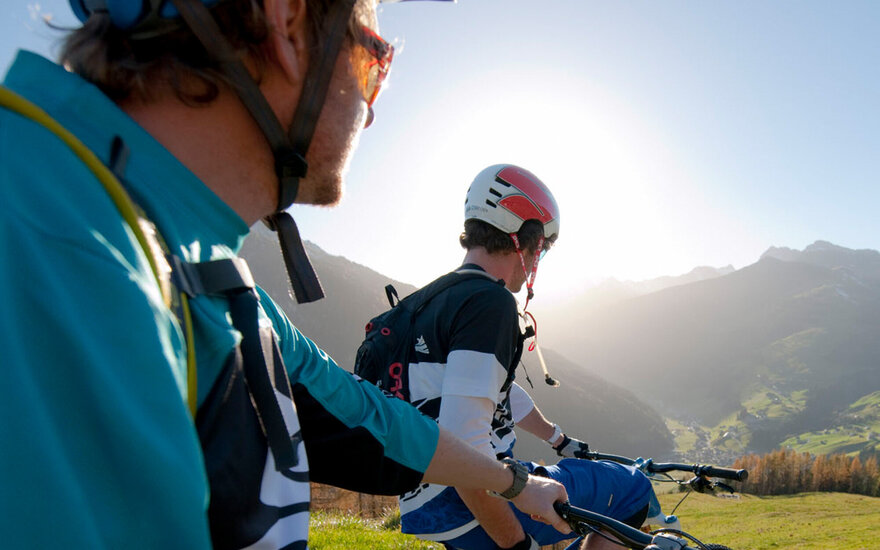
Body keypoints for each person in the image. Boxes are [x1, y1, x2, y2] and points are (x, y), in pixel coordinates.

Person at [0, 1, 571, 549]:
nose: (371, 108)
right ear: (288, 23)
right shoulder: (56, 242)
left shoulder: (208, 268)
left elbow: (376, 420)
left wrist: (517, 485)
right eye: (375, 63)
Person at [388, 164, 655, 550]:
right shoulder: (489, 301)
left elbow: (494, 392)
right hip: (474, 501)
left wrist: (558, 439)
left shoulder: (427, 302)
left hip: (424, 506)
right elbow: (463, 438)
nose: (538, 260)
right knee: (632, 487)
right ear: (522, 239)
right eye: (541, 248)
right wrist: (516, 545)